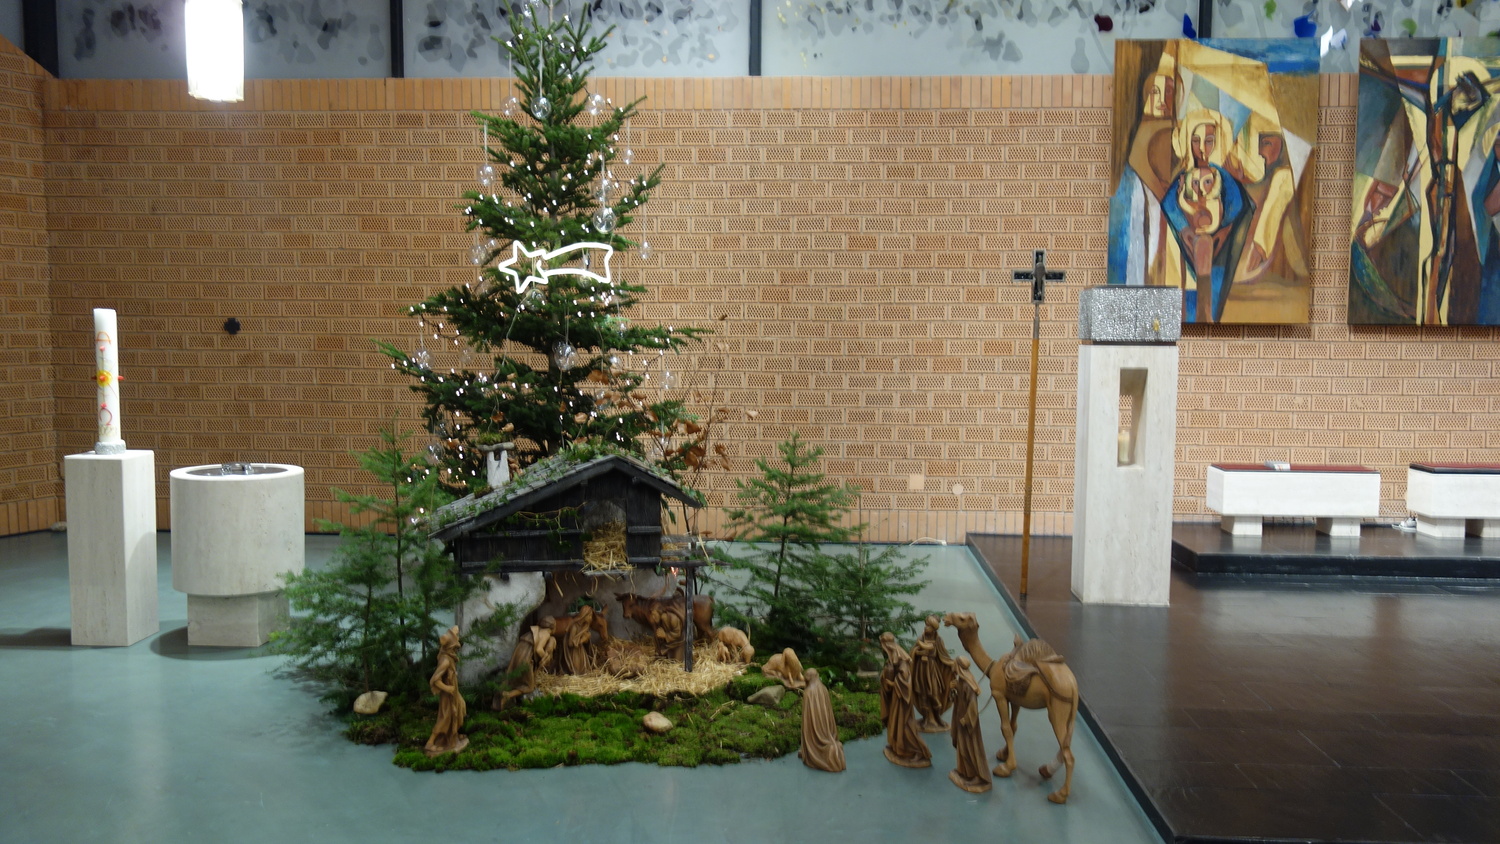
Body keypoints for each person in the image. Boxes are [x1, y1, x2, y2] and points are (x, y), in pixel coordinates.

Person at [878, 632, 931, 768]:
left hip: (902, 700)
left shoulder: (902, 660)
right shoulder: (894, 658)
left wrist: (891, 684)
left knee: (905, 725)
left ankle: (918, 751)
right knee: (896, 723)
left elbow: (906, 682)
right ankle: (898, 748)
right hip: (897, 698)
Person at [948, 656, 991, 793]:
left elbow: (972, 706)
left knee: (970, 748)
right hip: (960, 719)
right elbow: (957, 700)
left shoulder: (968, 685)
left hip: (967, 725)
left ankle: (977, 776)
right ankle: (965, 772)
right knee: (962, 748)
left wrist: (966, 720)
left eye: (954, 664)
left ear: (958, 667)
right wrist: (953, 691)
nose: (953, 666)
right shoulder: (961, 682)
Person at [424, 625, 469, 756]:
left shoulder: (449, 657)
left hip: (454, 692)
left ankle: (453, 735)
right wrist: (447, 688)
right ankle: (430, 742)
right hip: (447, 695)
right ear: (452, 646)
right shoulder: (445, 661)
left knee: (460, 708)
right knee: (445, 717)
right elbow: (435, 680)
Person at [911, 615, 955, 732]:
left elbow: (943, 655)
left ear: (934, 628)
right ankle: (926, 719)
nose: (926, 628)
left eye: (929, 626)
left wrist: (951, 664)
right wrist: (918, 653)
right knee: (923, 694)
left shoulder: (938, 640)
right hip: (921, 669)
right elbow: (914, 651)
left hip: (932, 669)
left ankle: (937, 718)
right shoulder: (921, 638)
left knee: (935, 693)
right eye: (926, 625)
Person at [798, 668, 846, 773]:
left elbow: (807, 722)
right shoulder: (824, 689)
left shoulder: (808, 693)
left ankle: (813, 751)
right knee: (828, 738)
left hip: (816, 733)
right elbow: (829, 713)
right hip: (827, 730)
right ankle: (829, 744)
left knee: (819, 739)